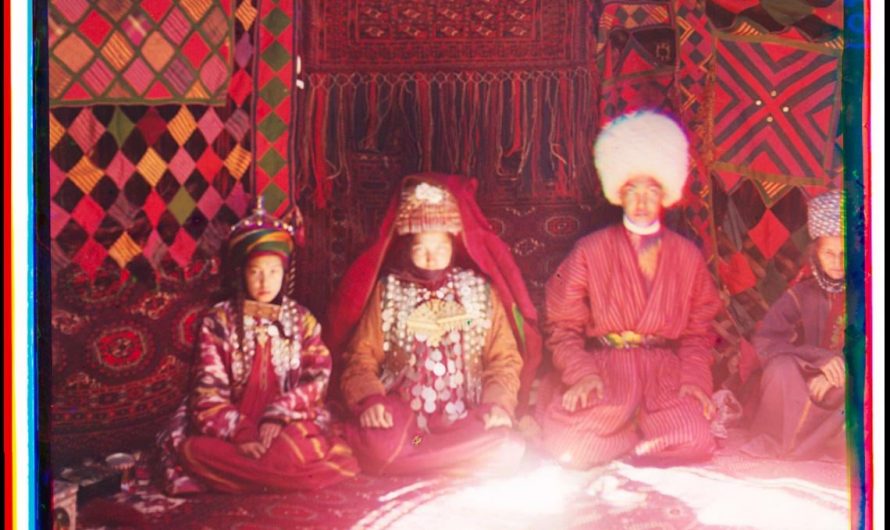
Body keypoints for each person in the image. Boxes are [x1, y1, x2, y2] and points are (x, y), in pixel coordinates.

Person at [537, 110, 723, 468]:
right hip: (607, 373)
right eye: (632, 190)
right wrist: (582, 375)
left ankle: (638, 437)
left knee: (695, 440)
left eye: (651, 190)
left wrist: (694, 380)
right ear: (618, 193)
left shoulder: (687, 256)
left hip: (663, 375)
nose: (641, 202)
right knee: (571, 449)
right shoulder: (589, 250)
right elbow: (562, 328)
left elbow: (700, 333)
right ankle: (630, 435)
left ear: (665, 194)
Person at [326, 173, 542, 476]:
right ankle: (450, 460)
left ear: (454, 246)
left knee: (504, 443)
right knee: (383, 441)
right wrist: (372, 401)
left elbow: (504, 359)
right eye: (420, 248)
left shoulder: (480, 292)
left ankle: (421, 461)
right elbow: (360, 357)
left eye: (440, 247)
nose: (430, 258)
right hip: (411, 427)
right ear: (406, 247)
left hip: (464, 421)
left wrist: (497, 405)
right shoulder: (388, 292)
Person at [157, 199, 358, 494]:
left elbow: (317, 380)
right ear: (242, 273)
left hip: (288, 423)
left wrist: (278, 413)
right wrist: (242, 432)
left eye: (274, 272)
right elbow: (206, 391)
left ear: (285, 273)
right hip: (233, 432)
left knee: (297, 446)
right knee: (192, 450)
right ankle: (284, 476)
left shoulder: (303, 320)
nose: (265, 281)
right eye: (255, 272)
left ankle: (250, 476)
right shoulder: (219, 320)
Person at [742, 190, 846, 461]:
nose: (837, 262)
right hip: (803, 378)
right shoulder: (801, 294)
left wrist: (841, 366)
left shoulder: (871, 293)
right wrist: (817, 361)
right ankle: (795, 441)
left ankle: (826, 439)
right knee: (779, 369)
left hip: (848, 382)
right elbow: (766, 342)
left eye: (845, 253)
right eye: (829, 253)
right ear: (816, 255)